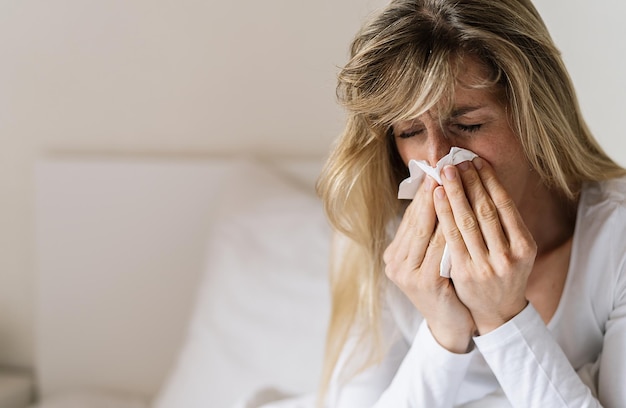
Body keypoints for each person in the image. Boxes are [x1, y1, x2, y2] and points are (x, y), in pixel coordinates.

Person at [315, 0, 626, 406]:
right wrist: (443, 333)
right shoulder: (376, 237)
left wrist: (503, 317)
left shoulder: (615, 236)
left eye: (468, 125)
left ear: (537, 117)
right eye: (410, 131)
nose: (439, 159)